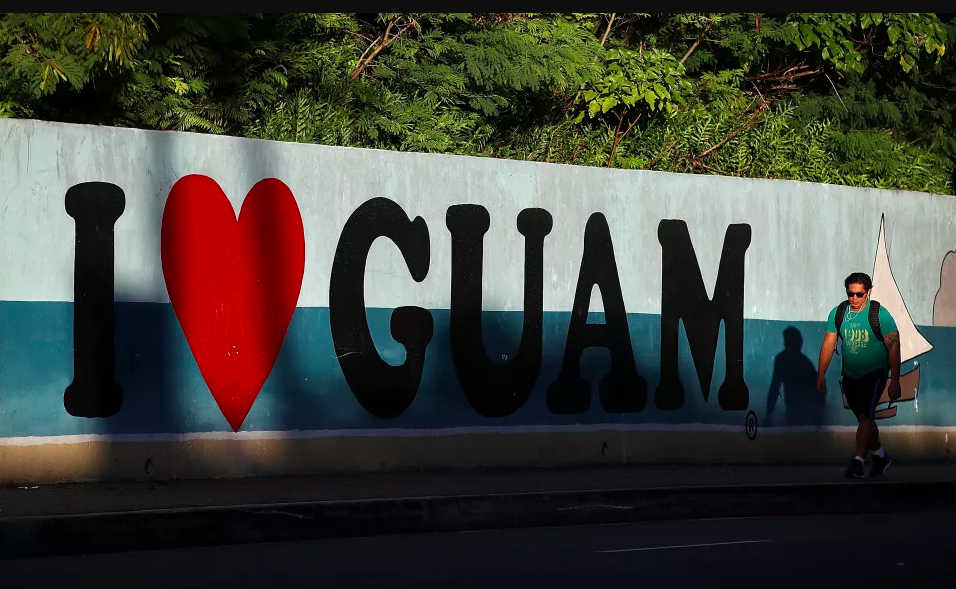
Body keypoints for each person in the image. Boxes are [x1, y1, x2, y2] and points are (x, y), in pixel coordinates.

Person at [816, 272, 901, 478]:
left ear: (868, 292)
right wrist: (821, 374)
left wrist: (895, 381)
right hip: (850, 376)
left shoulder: (879, 314)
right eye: (850, 294)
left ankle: (858, 461)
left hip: (875, 373)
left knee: (865, 418)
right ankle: (880, 456)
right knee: (865, 419)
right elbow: (828, 343)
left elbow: (893, 345)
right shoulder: (838, 313)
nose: (854, 298)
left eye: (859, 294)